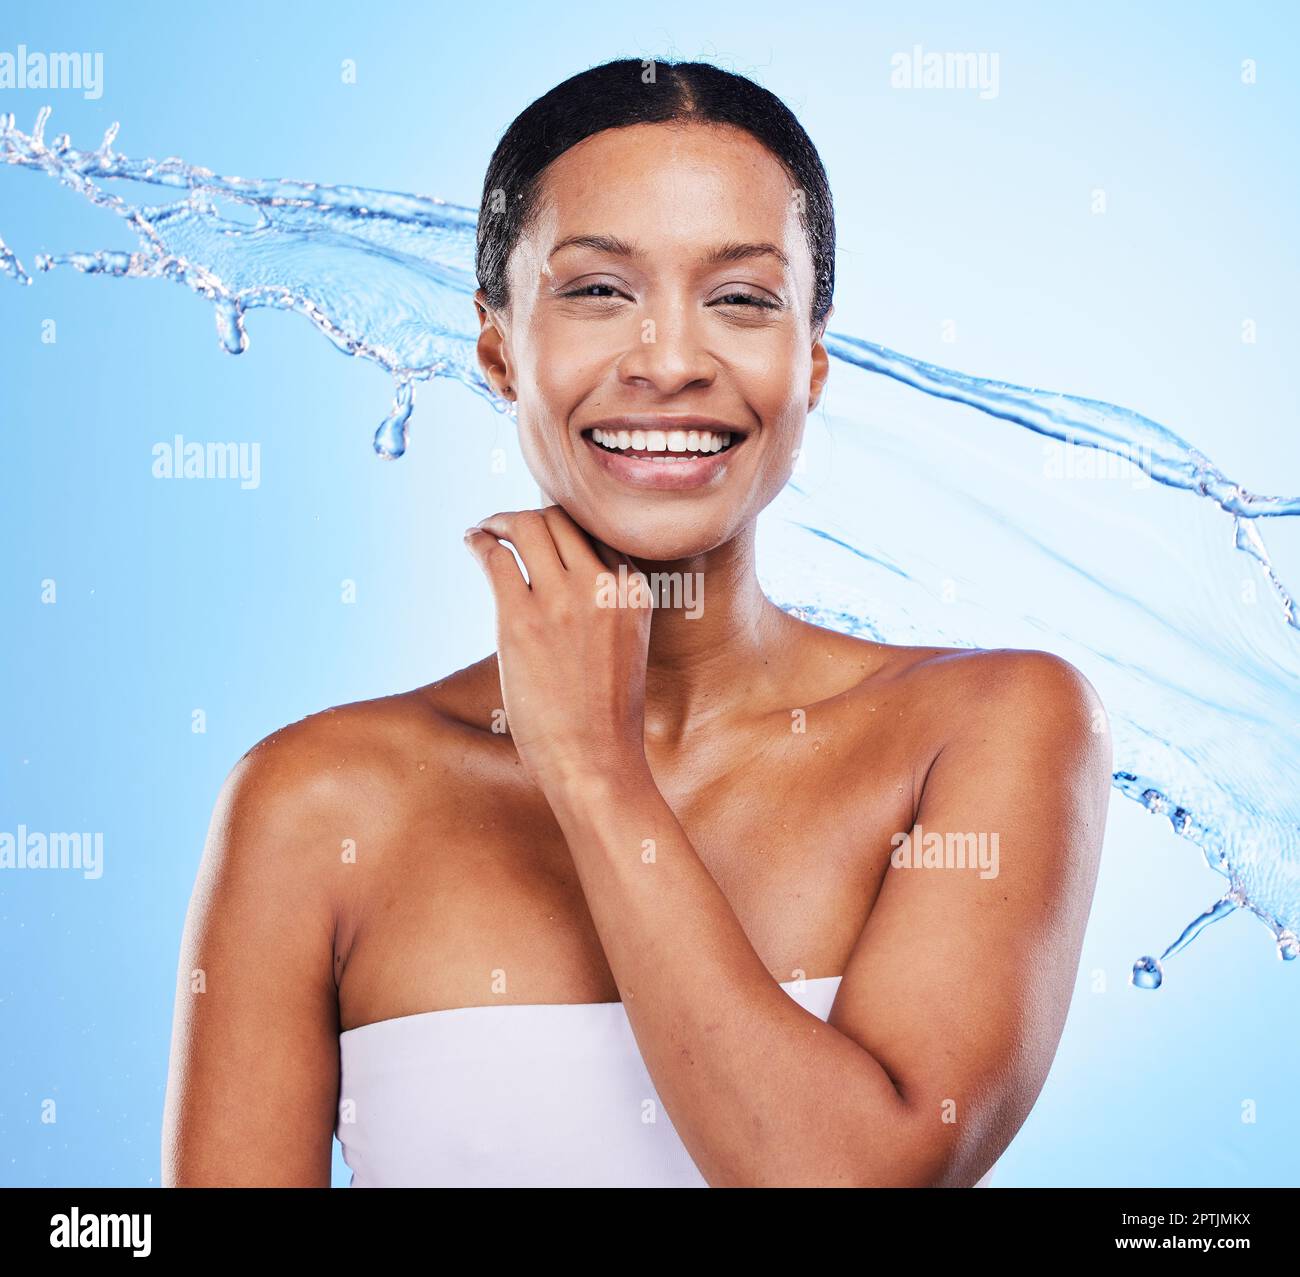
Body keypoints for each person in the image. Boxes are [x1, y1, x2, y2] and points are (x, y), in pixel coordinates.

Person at [161, 56, 1111, 1188]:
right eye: (598, 290)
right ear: (498, 345)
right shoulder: (312, 800)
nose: (669, 361)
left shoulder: (990, 726)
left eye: (742, 299)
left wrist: (596, 773)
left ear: (812, 357)